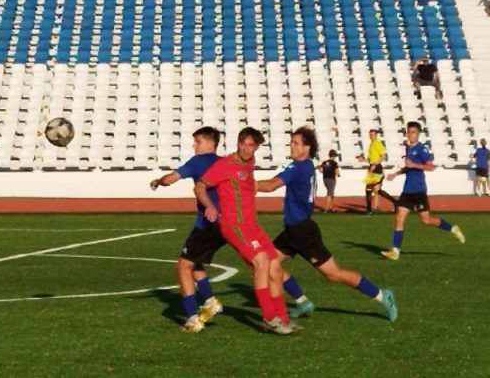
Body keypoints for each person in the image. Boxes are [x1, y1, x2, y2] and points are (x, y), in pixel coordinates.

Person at [256, 127, 398, 322]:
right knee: (268, 263)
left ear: (307, 147)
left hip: (303, 232)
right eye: (291, 142)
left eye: (296, 143)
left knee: (333, 274)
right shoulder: (306, 165)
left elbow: (272, 185)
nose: (291, 146)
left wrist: (249, 184)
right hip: (292, 230)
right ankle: (302, 302)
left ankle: (383, 295)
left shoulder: (298, 167)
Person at [195, 128, 293, 335]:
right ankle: (269, 317)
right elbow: (200, 186)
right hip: (234, 225)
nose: (247, 149)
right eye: (244, 144)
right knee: (261, 261)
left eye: (252, 146)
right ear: (238, 143)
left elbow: (247, 184)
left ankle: (283, 318)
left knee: (275, 267)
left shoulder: (249, 162)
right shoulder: (224, 165)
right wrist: (209, 206)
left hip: (251, 224)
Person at [149, 127, 225, 333]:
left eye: (198, 142)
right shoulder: (223, 162)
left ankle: (192, 318)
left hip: (206, 224)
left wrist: (158, 181)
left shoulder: (198, 162)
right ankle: (209, 301)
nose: (194, 146)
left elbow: (172, 178)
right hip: (224, 224)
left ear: (210, 143)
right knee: (195, 261)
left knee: (182, 266)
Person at [381, 121, 465, 261]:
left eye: (413, 132)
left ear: (418, 134)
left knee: (426, 220)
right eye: (408, 132)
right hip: (407, 191)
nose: (410, 134)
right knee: (398, 217)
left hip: (418, 191)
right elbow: (409, 167)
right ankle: (395, 251)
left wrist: (413, 164)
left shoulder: (422, 149)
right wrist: (396, 173)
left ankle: (453, 228)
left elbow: (430, 166)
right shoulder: (408, 148)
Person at [356, 129, 397, 215]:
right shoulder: (371, 144)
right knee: (377, 190)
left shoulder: (378, 143)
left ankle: (369, 210)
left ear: (376, 135)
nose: (371, 136)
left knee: (369, 189)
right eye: (370, 134)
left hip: (376, 168)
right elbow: (371, 159)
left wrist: (376, 164)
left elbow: (383, 156)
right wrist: (363, 160)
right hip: (372, 167)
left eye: (373, 134)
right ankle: (395, 202)